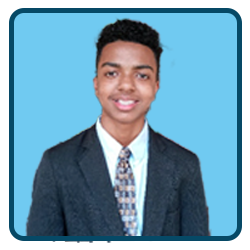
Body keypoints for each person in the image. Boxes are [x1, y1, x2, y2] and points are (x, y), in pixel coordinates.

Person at [27, 19, 209, 236]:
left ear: (156, 86)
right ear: (96, 84)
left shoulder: (184, 165)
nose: (126, 85)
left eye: (142, 75)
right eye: (112, 73)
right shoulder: (57, 164)